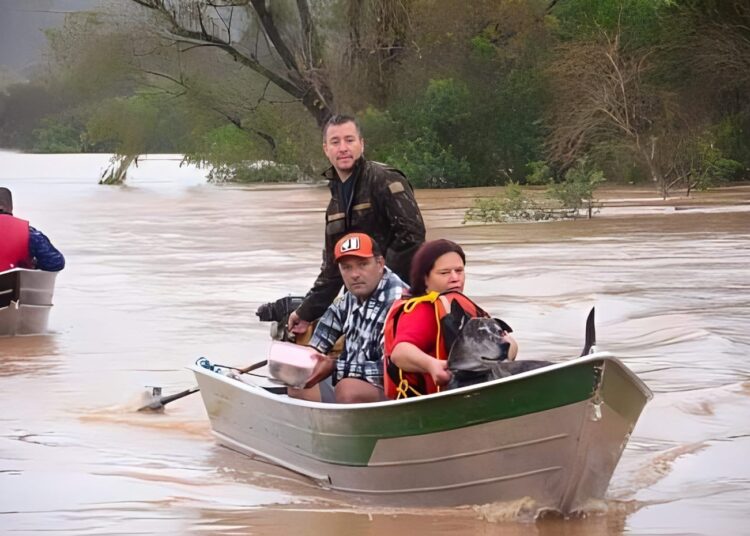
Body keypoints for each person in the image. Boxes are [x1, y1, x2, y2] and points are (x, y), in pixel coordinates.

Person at [287, 114, 425, 336]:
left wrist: (378, 281)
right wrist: (306, 312)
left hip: (400, 297)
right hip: (359, 300)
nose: (343, 148)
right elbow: (332, 268)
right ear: (326, 149)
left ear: (361, 144)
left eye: (349, 140)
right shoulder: (334, 204)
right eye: (335, 142)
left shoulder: (385, 179)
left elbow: (412, 237)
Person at [383, 239, 518, 399]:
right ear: (424, 278)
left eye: (459, 271)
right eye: (444, 272)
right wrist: (432, 366)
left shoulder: (461, 305)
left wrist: (503, 352)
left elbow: (511, 346)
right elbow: (400, 353)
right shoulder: (422, 310)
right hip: (430, 403)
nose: (455, 278)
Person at [288, 232, 408, 404]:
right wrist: (310, 357)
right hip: (355, 380)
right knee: (298, 376)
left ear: (380, 263)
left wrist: (335, 366)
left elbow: (394, 369)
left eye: (362, 264)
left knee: (348, 389)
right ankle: (323, 427)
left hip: (399, 390)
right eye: (347, 267)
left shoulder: (400, 302)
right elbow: (321, 338)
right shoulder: (351, 296)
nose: (354, 274)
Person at [0, 187, 65, 272]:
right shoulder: (28, 233)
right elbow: (56, 263)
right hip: (16, 279)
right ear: (10, 207)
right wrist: (35, 265)